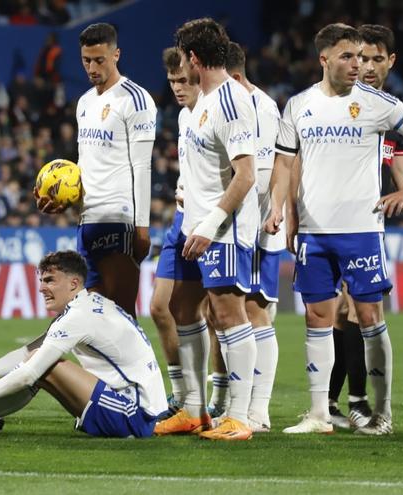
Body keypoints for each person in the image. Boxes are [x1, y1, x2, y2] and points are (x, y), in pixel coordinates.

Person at [266, 23, 403, 435]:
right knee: (317, 316)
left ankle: (382, 413)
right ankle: (319, 415)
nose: (357, 65)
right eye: (348, 57)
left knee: (368, 316)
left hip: (361, 230)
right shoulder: (298, 106)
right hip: (313, 231)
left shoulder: (379, 103)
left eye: (361, 57)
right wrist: (283, 210)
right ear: (324, 59)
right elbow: (286, 164)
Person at [325, 24, 403, 430]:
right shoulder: (328, 101)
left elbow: (401, 170)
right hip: (324, 223)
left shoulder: (383, 110)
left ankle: (366, 407)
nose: (368, 66)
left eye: (377, 59)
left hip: (361, 226)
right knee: (343, 314)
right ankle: (339, 402)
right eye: (361, 58)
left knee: (355, 313)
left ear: (391, 61)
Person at [0, 251, 166, 439]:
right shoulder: (85, 305)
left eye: (50, 280)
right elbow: (25, 353)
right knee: (39, 359)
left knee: (45, 366)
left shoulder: (78, 317)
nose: (41, 288)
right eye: (41, 280)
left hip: (137, 417)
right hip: (137, 409)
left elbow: (28, 373)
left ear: (73, 283)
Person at [153, 18, 259, 442]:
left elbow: (246, 174)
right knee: (181, 307)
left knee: (228, 314)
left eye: (183, 61)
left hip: (223, 230)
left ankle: (240, 416)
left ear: (194, 59)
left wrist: (213, 225)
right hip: (191, 226)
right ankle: (194, 409)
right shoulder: (199, 106)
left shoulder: (231, 102)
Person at [37, 23, 156, 318]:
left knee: (122, 318)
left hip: (119, 220)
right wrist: (63, 199)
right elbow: (87, 166)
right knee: (94, 322)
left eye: (99, 60)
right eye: (86, 60)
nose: (91, 67)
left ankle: (141, 367)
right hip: (87, 221)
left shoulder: (135, 99)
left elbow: (142, 167)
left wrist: (141, 227)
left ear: (116, 55)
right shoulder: (85, 103)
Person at [225, 41, 281, 433]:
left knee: (255, 310)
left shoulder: (258, 106)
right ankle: (235, 402)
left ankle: (257, 408)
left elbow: (264, 171)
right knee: (230, 311)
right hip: (241, 219)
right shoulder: (255, 104)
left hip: (256, 222)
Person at [149, 47, 202, 418]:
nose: (178, 88)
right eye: (172, 82)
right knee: (159, 307)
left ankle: (216, 397)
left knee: (215, 314)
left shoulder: (216, 111)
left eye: (184, 81)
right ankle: (182, 393)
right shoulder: (184, 117)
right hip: (181, 221)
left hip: (209, 222)